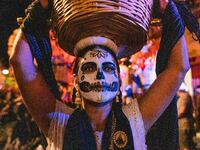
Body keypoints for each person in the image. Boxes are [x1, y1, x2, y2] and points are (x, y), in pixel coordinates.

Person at [10, 0, 192, 149]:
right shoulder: (57, 123)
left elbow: (177, 69)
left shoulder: (135, 121)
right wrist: (37, 11)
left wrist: (171, 12)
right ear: (75, 81)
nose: (100, 76)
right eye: (89, 68)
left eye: (108, 68)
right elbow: (19, 62)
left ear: (118, 81)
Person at [177, 83, 196, 150]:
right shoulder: (186, 96)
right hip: (186, 124)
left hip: (183, 125)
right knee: (189, 144)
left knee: (184, 146)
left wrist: (174, 118)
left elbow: (182, 110)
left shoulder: (184, 97)